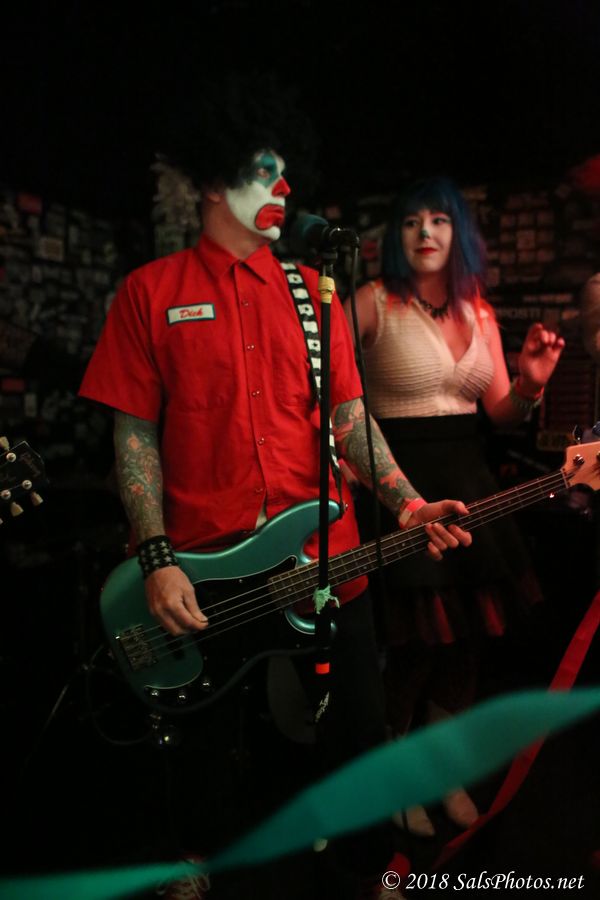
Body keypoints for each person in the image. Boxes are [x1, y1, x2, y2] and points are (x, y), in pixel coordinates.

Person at [78, 86, 473, 899]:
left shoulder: (313, 293)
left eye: (288, 173)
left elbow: (350, 418)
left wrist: (408, 503)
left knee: (358, 726)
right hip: (204, 562)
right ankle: (198, 859)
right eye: (264, 171)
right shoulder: (149, 293)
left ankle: (367, 864)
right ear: (213, 182)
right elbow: (134, 437)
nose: (284, 188)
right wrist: (156, 557)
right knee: (205, 740)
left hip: (323, 556)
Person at [344, 175, 565, 839]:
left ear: (458, 232)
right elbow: (328, 399)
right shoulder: (371, 301)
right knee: (415, 646)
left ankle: (442, 773)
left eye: (439, 220)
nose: (425, 232)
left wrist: (529, 385)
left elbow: (500, 413)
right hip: (401, 486)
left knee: (466, 644)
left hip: (471, 486)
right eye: (412, 221)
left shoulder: (481, 311)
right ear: (396, 235)